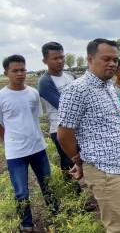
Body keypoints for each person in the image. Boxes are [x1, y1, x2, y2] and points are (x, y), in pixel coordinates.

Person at [57, 38, 120, 233]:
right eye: (106, 59)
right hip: (104, 170)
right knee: (118, 227)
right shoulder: (77, 90)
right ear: (90, 59)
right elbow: (64, 134)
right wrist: (78, 160)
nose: (112, 63)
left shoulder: (108, 86)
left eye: (115, 59)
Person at [0, 55, 58, 232]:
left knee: (47, 184)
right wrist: (10, 140)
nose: (20, 73)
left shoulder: (33, 93)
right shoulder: (2, 96)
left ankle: (56, 214)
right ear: (6, 73)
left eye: (22, 69)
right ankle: (26, 224)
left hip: (38, 148)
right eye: (15, 70)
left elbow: (35, 118)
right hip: (15, 153)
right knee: (21, 192)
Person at [38, 42, 80, 187]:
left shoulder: (70, 76)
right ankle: (72, 197)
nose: (60, 61)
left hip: (78, 127)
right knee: (68, 163)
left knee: (82, 161)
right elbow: (62, 106)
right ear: (45, 61)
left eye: (61, 57)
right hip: (60, 129)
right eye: (55, 58)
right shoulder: (45, 82)